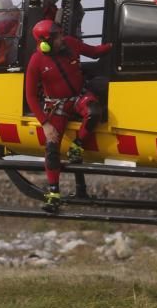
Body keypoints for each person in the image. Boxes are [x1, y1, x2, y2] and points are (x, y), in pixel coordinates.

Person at [24, 18, 112, 212]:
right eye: (57, 37)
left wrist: (113, 45)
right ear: (45, 42)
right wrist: (46, 124)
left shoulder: (71, 44)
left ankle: (77, 146)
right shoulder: (36, 61)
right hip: (57, 106)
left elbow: (95, 52)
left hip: (78, 97)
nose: (62, 38)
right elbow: (30, 96)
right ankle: (53, 193)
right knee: (52, 148)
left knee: (94, 111)